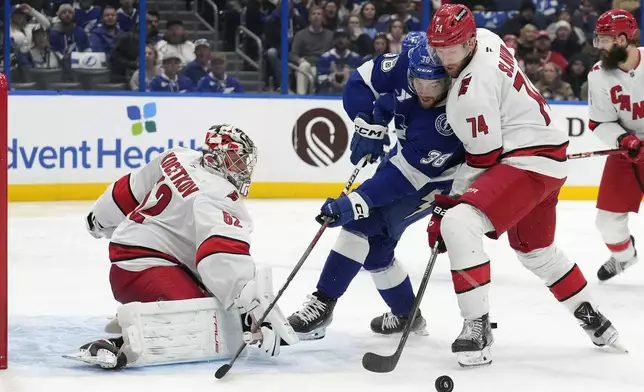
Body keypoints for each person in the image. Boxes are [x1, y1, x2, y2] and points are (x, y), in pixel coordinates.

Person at [425, 4, 623, 368]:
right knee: (536, 250)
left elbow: (483, 160)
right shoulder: (488, 36)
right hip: (549, 158)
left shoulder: (467, 95)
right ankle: (594, 317)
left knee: (459, 224)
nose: (443, 58)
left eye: (450, 49)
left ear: (468, 43)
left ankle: (477, 327)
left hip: (527, 164)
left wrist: (446, 206)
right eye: (437, 48)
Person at [65, 125, 298, 369]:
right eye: (235, 161)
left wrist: (100, 218)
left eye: (243, 162)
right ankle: (125, 343)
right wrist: (253, 312)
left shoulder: (176, 158)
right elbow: (221, 256)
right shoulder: (220, 195)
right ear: (215, 156)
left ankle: (147, 314)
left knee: (220, 310)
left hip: (136, 262)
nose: (242, 169)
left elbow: (132, 187)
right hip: (146, 268)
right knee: (210, 324)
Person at [287, 40, 464, 340]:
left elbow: (405, 179)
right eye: (418, 82)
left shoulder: (447, 120)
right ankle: (407, 316)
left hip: (436, 180)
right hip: (403, 161)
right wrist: (368, 121)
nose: (425, 92)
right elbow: (363, 83)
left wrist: (358, 200)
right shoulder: (405, 65)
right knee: (377, 252)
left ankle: (323, 303)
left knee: (361, 222)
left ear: (448, 80)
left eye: (433, 85)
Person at [587, 9, 643, 281]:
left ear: (622, 40)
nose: (599, 46)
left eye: (605, 39)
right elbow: (599, 122)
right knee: (607, 222)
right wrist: (624, 140)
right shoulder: (598, 76)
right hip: (627, 151)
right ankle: (624, 257)